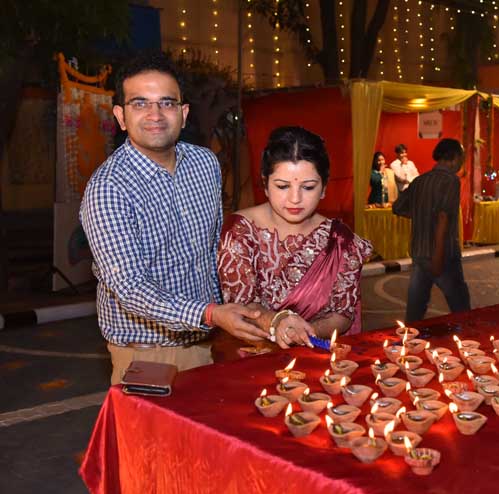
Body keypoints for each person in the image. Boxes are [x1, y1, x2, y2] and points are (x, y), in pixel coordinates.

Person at [80, 52, 262, 385]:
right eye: (140, 103)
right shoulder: (109, 189)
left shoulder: (204, 164)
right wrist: (211, 313)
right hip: (149, 354)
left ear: (183, 113)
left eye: (167, 103)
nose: (155, 115)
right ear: (120, 116)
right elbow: (130, 288)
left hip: (213, 340)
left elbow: (212, 250)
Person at [218, 126, 373, 348]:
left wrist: (304, 333)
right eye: (282, 186)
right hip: (251, 355)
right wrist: (278, 322)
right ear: (265, 184)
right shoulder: (241, 231)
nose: (295, 199)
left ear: (324, 188)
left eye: (308, 187)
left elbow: (343, 314)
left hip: (314, 354)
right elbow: (241, 306)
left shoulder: (339, 241)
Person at [392, 138, 471, 322]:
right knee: (461, 309)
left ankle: (410, 338)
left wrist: (421, 215)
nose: (461, 163)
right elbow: (443, 217)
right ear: (453, 158)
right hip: (443, 256)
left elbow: (398, 207)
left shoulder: (420, 181)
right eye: (461, 158)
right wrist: (437, 256)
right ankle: (468, 337)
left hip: (419, 253)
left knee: (415, 313)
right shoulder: (451, 181)